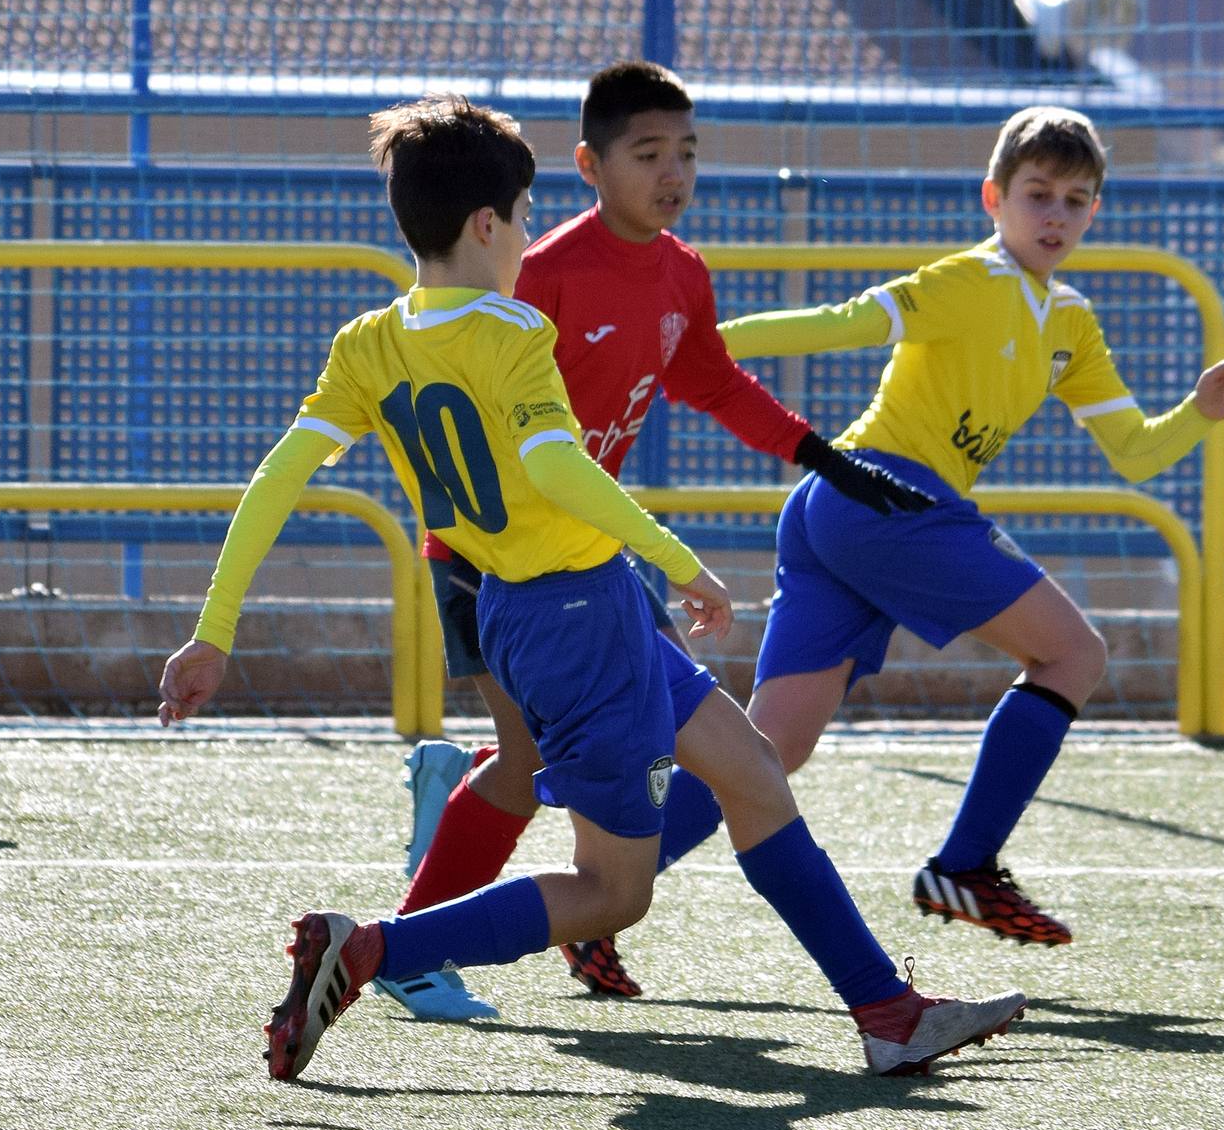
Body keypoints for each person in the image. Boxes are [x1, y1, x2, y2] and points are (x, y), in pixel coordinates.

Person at [155, 93, 1026, 1082]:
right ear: (488, 225)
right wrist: (677, 558)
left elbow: (276, 480)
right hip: (576, 615)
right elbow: (560, 469)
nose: (531, 237)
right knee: (613, 893)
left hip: (560, 607)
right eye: (524, 218)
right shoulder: (514, 331)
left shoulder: (368, 343)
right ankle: (369, 953)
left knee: (747, 770)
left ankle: (886, 1011)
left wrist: (211, 632)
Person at [390, 59, 931, 1019]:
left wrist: (822, 454)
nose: (673, 172)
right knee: (525, 772)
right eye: (648, 153)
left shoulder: (682, 271)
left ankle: (863, 1001)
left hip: (593, 564)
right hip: (500, 570)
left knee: (730, 757)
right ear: (590, 165)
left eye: (687, 151)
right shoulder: (538, 273)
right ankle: (416, 944)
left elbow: (714, 381)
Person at [702, 105, 1224, 945]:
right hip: (885, 496)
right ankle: (964, 867)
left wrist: (1198, 410)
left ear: (1094, 214)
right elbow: (840, 324)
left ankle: (608, 886)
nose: (1056, 215)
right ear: (993, 199)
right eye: (1037, 194)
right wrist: (695, 351)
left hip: (842, 514)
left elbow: (1136, 452)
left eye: (1076, 201)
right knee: (1075, 652)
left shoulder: (1070, 323)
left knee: (765, 753)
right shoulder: (968, 281)